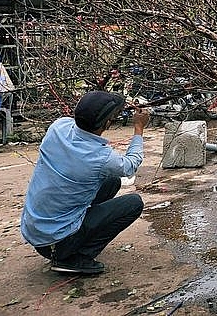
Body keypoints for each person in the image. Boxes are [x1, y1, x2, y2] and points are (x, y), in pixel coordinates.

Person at [21, 90, 150, 274]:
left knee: (112, 181)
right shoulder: (101, 158)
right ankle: (74, 258)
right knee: (133, 203)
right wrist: (139, 128)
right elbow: (130, 165)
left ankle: (73, 240)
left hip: (36, 232)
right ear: (106, 123)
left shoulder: (57, 128)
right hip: (56, 242)